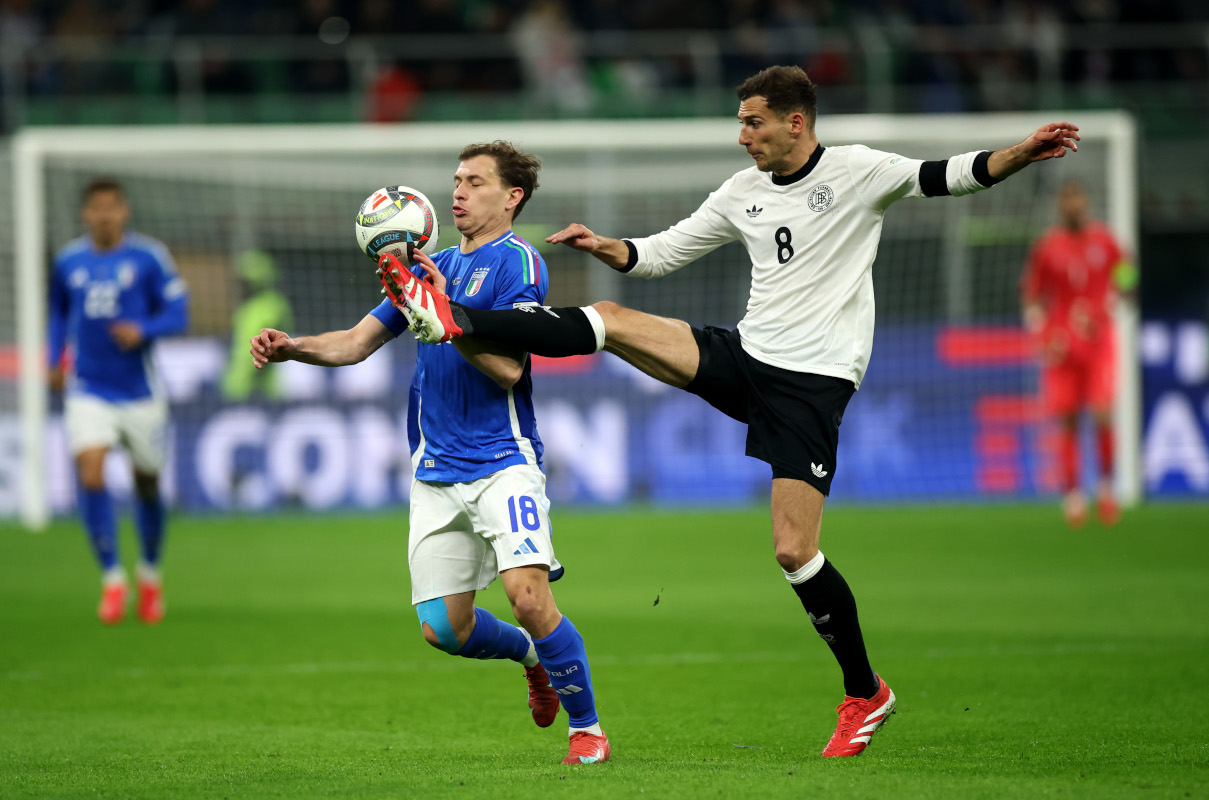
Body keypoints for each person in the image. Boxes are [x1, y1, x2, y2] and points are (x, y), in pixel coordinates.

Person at [387, 66, 1080, 758]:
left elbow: (948, 174)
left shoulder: (858, 171)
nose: (741, 134)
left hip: (811, 383)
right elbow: (663, 253)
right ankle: (457, 318)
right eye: (740, 121)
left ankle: (864, 690)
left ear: (794, 122)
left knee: (792, 549)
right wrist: (609, 247)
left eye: (752, 121)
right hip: (746, 355)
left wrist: (1019, 152)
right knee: (610, 317)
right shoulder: (742, 191)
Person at [249, 142, 610, 766]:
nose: (458, 192)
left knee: (527, 596)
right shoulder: (429, 263)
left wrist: (446, 317)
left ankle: (588, 731)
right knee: (444, 629)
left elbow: (507, 368)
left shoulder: (518, 264)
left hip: (503, 460)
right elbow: (356, 343)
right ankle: (536, 661)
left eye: (475, 181)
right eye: (456, 180)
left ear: (512, 196)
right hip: (436, 470)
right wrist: (293, 347)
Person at [48, 176, 190, 625]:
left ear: (124, 211)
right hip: (88, 387)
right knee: (90, 471)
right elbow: (58, 312)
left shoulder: (149, 258)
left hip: (141, 392)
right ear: (86, 214)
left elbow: (178, 313)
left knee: (147, 484)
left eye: (112, 207)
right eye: (97, 208)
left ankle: (149, 573)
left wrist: (143, 330)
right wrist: (55, 358)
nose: (105, 215)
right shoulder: (68, 261)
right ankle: (112, 579)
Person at [1021, 179, 1132, 528]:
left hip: (1099, 343)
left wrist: (1116, 300)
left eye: (1077, 198)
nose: (1073, 206)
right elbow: (1032, 295)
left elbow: (1126, 275)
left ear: (1086, 202)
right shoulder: (1048, 247)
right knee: (1067, 418)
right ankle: (1072, 496)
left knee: (1102, 412)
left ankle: (1107, 490)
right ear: (1060, 206)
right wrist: (1042, 334)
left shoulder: (1105, 240)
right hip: (1063, 347)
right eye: (1066, 199)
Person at [221, 250, 294, 402]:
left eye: (244, 281)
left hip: (259, 390)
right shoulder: (246, 307)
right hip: (236, 387)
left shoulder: (272, 306)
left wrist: (256, 383)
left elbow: (272, 348)